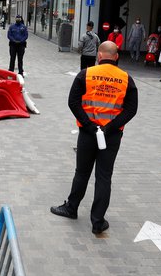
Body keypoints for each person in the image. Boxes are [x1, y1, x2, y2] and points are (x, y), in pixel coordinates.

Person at [50, 41, 138, 234]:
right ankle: (98, 221)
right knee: (104, 177)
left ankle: (71, 208)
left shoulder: (86, 74)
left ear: (99, 55)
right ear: (116, 57)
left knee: (82, 172)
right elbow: (132, 109)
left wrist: (90, 125)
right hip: (112, 135)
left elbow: (73, 102)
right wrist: (111, 126)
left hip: (88, 134)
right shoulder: (126, 79)